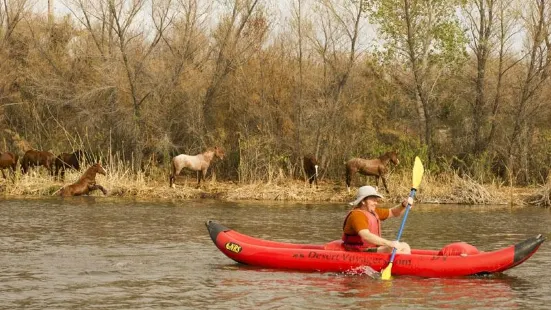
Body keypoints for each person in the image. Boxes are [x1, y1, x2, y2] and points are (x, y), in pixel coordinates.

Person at [342, 185, 414, 254]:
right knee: (399, 248)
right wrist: (389, 243)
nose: (376, 203)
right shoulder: (357, 215)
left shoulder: (372, 211)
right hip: (360, 251)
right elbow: (365, 235)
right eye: (373, 200)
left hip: (370, 249)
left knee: (405, 246)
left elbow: (392, 212)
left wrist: (403, 205)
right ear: (363, 201)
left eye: (376, 200)